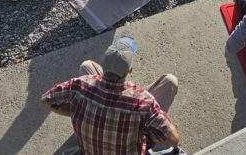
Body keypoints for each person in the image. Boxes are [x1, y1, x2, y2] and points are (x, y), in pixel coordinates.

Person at [40, 35, 180, 155]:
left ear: (103, 65)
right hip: (132, 130)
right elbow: (173, 140)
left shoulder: (79, 85)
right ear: (130, 70)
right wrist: (145, 124)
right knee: (170, 81)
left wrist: (75, 110)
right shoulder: (143, 103)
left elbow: (46, 100)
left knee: (86, 66)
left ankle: (92, 119)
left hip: (90, 148)